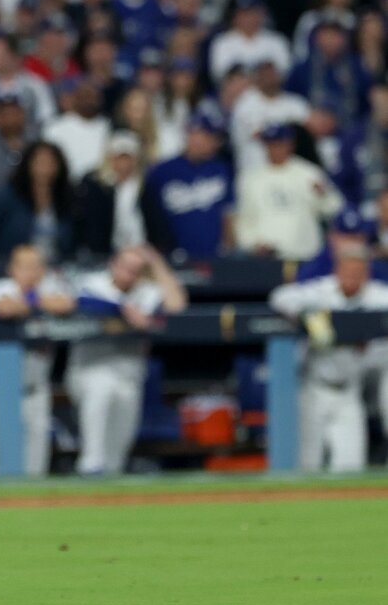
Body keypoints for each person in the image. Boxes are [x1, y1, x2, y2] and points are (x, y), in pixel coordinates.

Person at [68, 245, 188, 476]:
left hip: (129, 372)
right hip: (92, 368)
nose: (129, 274)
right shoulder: (94, 282)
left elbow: (177, 305)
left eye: (136, 270)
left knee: (117, 453)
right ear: (113, 264)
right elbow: (77, 302)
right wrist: (122, 310)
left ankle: (108, 487)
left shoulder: (146, 291)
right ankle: (89, 469)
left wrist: (156, 263)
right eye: (125, 267)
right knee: (95, 450)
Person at [269, 244, 388, 474]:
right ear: (338, 270)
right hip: (314, 389)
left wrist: (363, 335)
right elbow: (279, 297)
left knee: (351, 466)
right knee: (308, 463)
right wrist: (313, 319)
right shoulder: (323, 292)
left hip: (350, 392)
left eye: (358, 272)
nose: (352, 277)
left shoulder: (376, 295)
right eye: (348, 271)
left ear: (366, 273)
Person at [0, 245, 74, 478]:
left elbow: (67, 304)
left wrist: (31, 301)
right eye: (25, 266)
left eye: (36, 266)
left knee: (35, 470)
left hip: (36, 391)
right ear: (12, 268)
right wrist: (36, 302)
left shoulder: (51, 288)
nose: (31, 272)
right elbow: (4, 308)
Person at [234, 123, 344, 261]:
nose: (275, 149)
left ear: (290, 145)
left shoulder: (309, 173)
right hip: (265, 256)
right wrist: (253, 244)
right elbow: (245, 219)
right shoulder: (251, 178)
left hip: (303, 254)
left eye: (280, 144)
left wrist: (324, 194)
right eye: (271, 144)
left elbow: (334, 209)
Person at [140, 110, 234, 261]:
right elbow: (151, 217)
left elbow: (228, 212)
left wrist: (228, 247)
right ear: (189, 136)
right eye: (200, 135)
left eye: (212, 138)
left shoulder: (221, 169)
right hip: (174, 256)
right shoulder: (162, 171)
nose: (210, 142)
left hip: (214, 256)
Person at [0, 141, 76, 259]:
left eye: (50, 163)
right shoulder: (8, 196)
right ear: (28, 164)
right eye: (40, 162)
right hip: (12, 263)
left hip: (56, 264)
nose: (45, 169)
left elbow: (72, 240)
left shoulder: (66, 198)